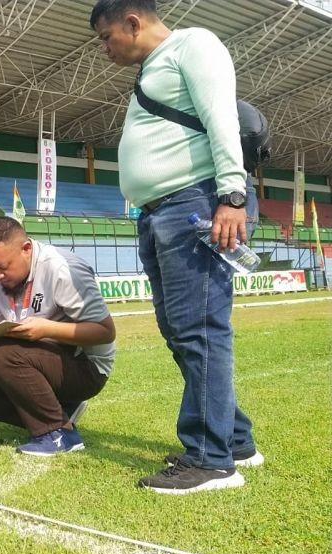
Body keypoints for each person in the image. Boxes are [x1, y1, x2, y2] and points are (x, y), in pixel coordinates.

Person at [91, 0, 263, 494]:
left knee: (200, 330)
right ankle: (235, 441)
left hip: (195, 203)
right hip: (161, 211)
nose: (105, 49)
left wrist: (231, 195)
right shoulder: (155, 68)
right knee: (180, 330)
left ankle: (211, 462)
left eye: (106, 37)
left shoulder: (194, 45)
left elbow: (221, 120)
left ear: (132, 22)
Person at [0, 217, 116, 455]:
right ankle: (61, 411)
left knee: (1, 353)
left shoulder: (62, 269)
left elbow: (105, 332)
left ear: (26, 249)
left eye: (2, 267)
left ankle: (58, 433)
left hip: (86, 368)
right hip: (34, 357)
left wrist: (46, 329)